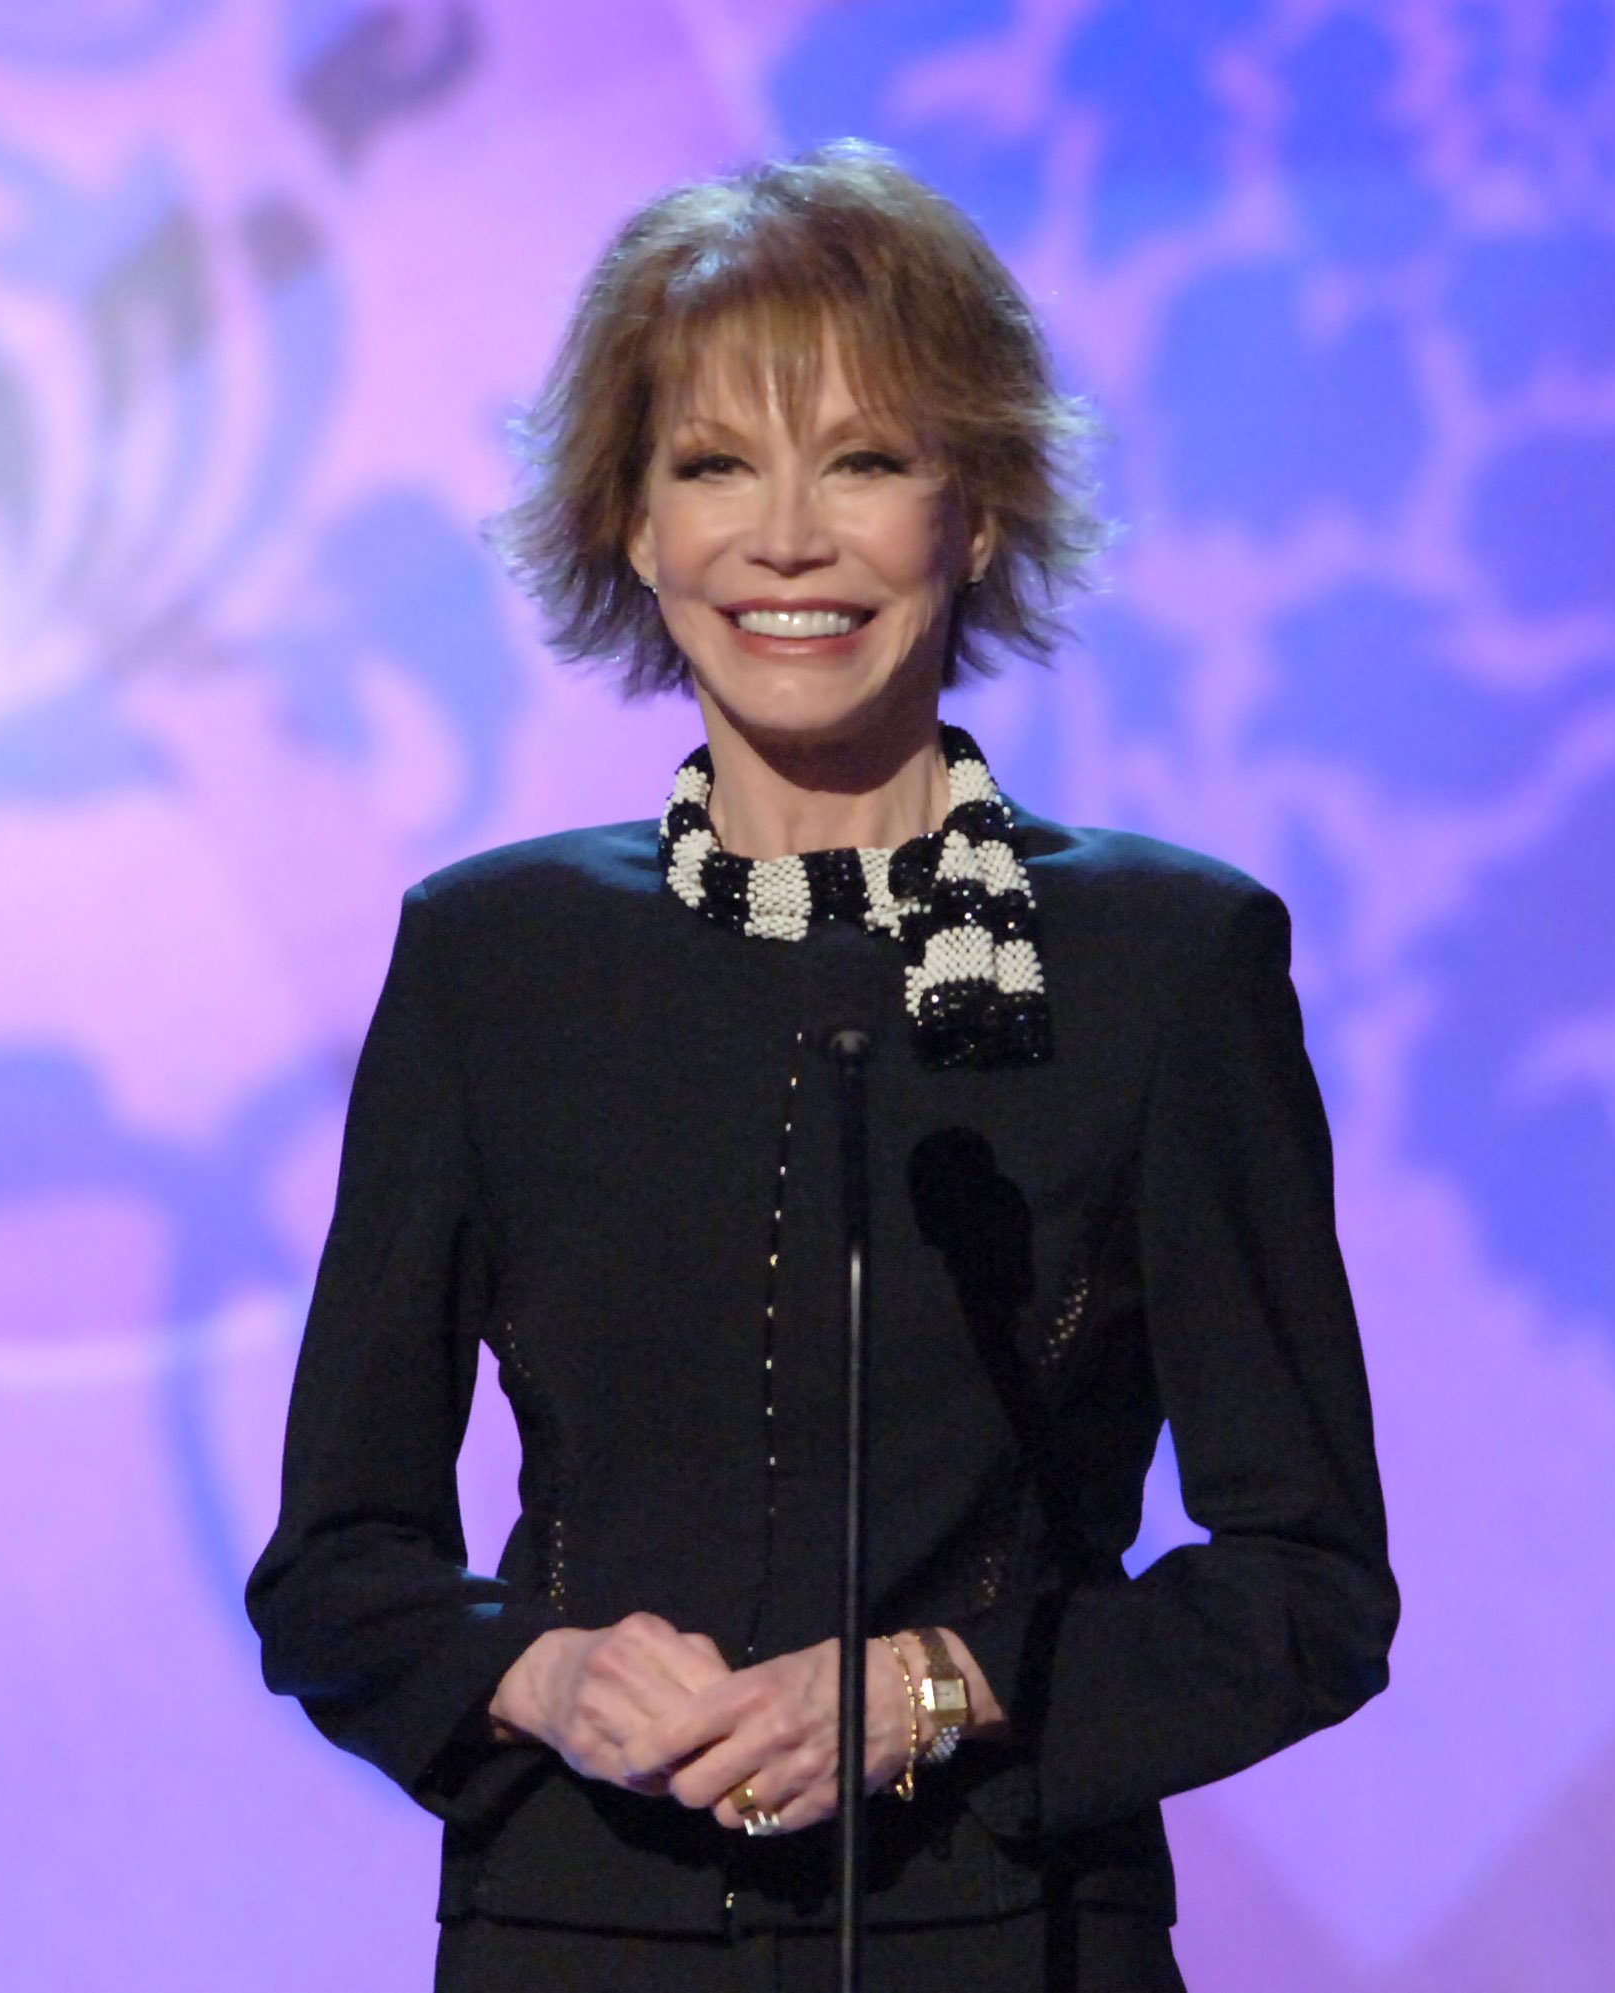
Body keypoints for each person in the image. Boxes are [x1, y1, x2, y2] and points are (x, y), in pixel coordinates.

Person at [247, 140, 1397, 1991]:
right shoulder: (495, 959)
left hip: (1006, 1936)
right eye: (715, 465)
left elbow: (1309, 1587)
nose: (788, 536)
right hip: (579, 1929)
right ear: (633, 524)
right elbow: (335, 1567)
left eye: (864, 460)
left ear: (978, 513)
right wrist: (542, 1670)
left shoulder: (1164, 966)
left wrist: (942, 1685)